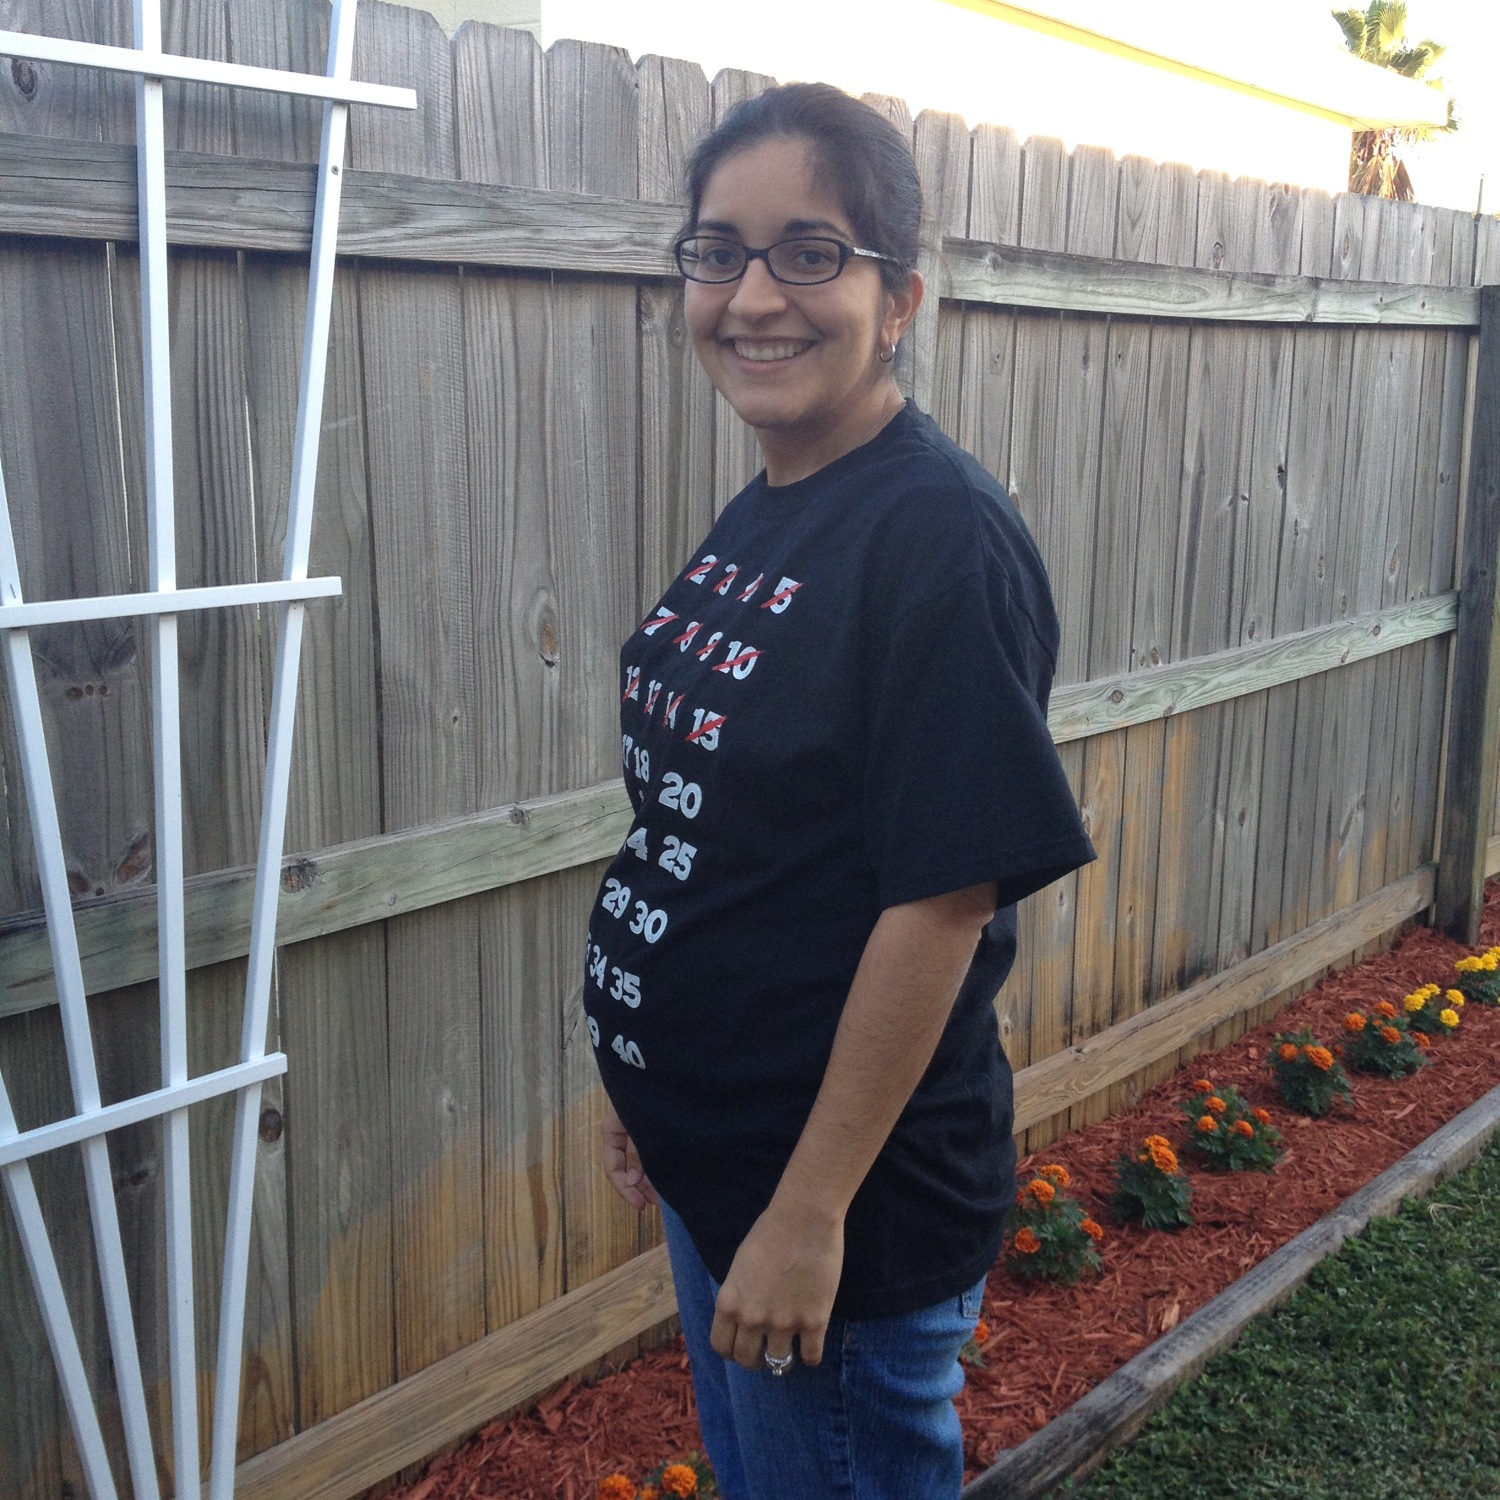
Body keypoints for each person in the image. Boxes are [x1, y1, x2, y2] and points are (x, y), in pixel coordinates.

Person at [583, 82, 1094, 1499]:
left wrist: (811, 1213)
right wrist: (648, 1080)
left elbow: (940, 904)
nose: (753, 296)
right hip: (725, 1158)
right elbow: (716, 832)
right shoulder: (774, 504)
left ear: (899, 298)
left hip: (839, 1207)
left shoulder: (937, 538)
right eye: (718, 252)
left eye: (810, 253)